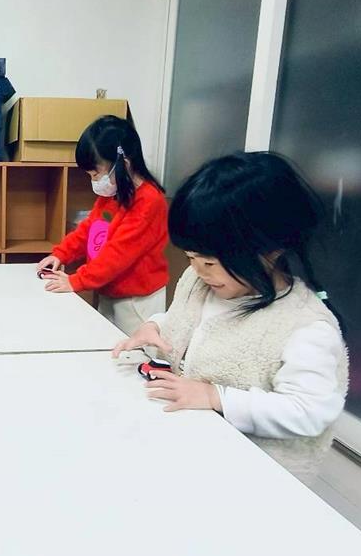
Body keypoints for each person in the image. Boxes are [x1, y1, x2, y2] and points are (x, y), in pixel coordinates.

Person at [112, 151, 348, 482]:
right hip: (194, 450)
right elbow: (191, 322)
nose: (197, 270)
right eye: (190, 257)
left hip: (253, 476)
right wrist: (155, 326)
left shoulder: (304, 327)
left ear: (270, 249)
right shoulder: (202, 283)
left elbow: (309, 411)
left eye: (208, 262)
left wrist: (215, 396)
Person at [38, 115, 169, 334]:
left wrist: (76, 281)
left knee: (134, 350)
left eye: (96, 173)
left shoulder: (149, 201)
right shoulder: (112, 195)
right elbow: (89, 229)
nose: (94, 181)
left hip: (137, 301)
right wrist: (61, 254)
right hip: (109, 290)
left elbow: (118, 255)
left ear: (123, 164)